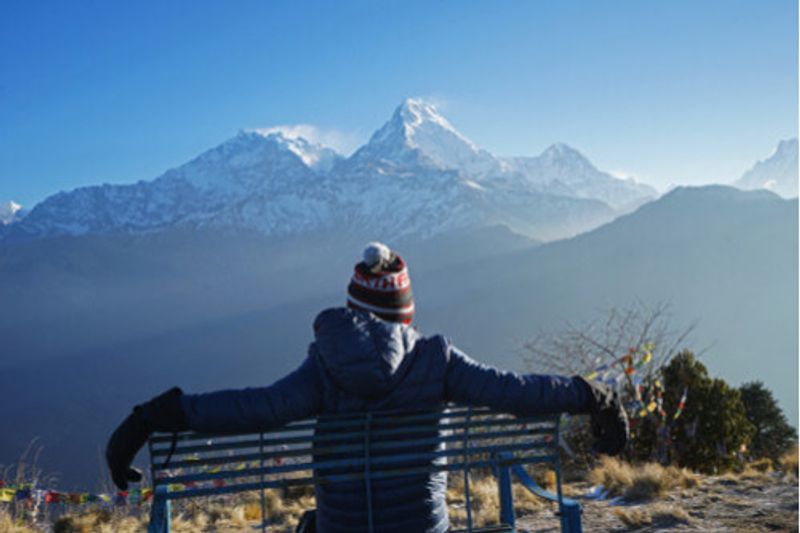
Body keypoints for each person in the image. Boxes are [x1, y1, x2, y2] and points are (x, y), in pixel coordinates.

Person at [106, 242, 628, 533]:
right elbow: (516, 391)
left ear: (354, 309)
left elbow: (256, 409)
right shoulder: (437, 361)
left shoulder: (323, 368)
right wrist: (593, 397)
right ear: (405, 312)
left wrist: (151, 417)